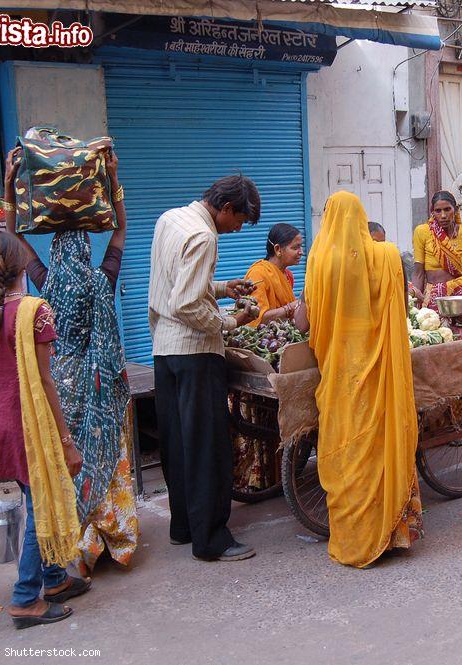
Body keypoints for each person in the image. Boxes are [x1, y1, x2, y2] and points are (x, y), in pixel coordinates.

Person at [3, 148, 138, 578]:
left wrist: (9, 186)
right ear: (83, 248)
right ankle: (109, 537)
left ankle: (76, 548)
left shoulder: (44, 283)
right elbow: (119, 234)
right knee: (106, 456)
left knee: (70, 462)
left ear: (57, 252)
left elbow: (14, 241)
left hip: (59, 386)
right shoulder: (101, 279)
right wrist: (114, 180)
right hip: (99, 382)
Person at [0, 232, 89, 629]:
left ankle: (54, 580)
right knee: (40, 508)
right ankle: (24, 599)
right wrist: (67, 441)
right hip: (29, 426)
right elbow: (46, 382)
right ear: (21, 267)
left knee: (37, 498)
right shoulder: (36, 310)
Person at [293, 191, 422, 567]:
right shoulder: (385, 255)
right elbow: (401, 307)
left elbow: (303, 322)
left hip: (340, 373)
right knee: (383, 442)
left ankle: (355, 536)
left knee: (348, 448)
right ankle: (392, 533)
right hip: (380, 367)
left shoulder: (319, 259)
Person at [148, 175, 260, 562]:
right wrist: (230, 322)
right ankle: (211, 539)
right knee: (207, 447)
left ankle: (184, 526)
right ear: (226, 208)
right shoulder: (204, 237)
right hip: (195, 353)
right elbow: (187, 304)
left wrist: (224, 288)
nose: (237, 229)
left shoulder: (171, 219)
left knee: (179, 443)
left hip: (165, 351)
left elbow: (178, 284)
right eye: (240, 221)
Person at [243, 223, 303, 327]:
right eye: (295, 248)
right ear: (278, 249)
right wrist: (292, 306)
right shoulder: (258, 274)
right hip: (262, 339)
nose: (301, 252)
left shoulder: (288, 275)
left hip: (283, 336)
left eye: (301, 247)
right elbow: (256, 318)